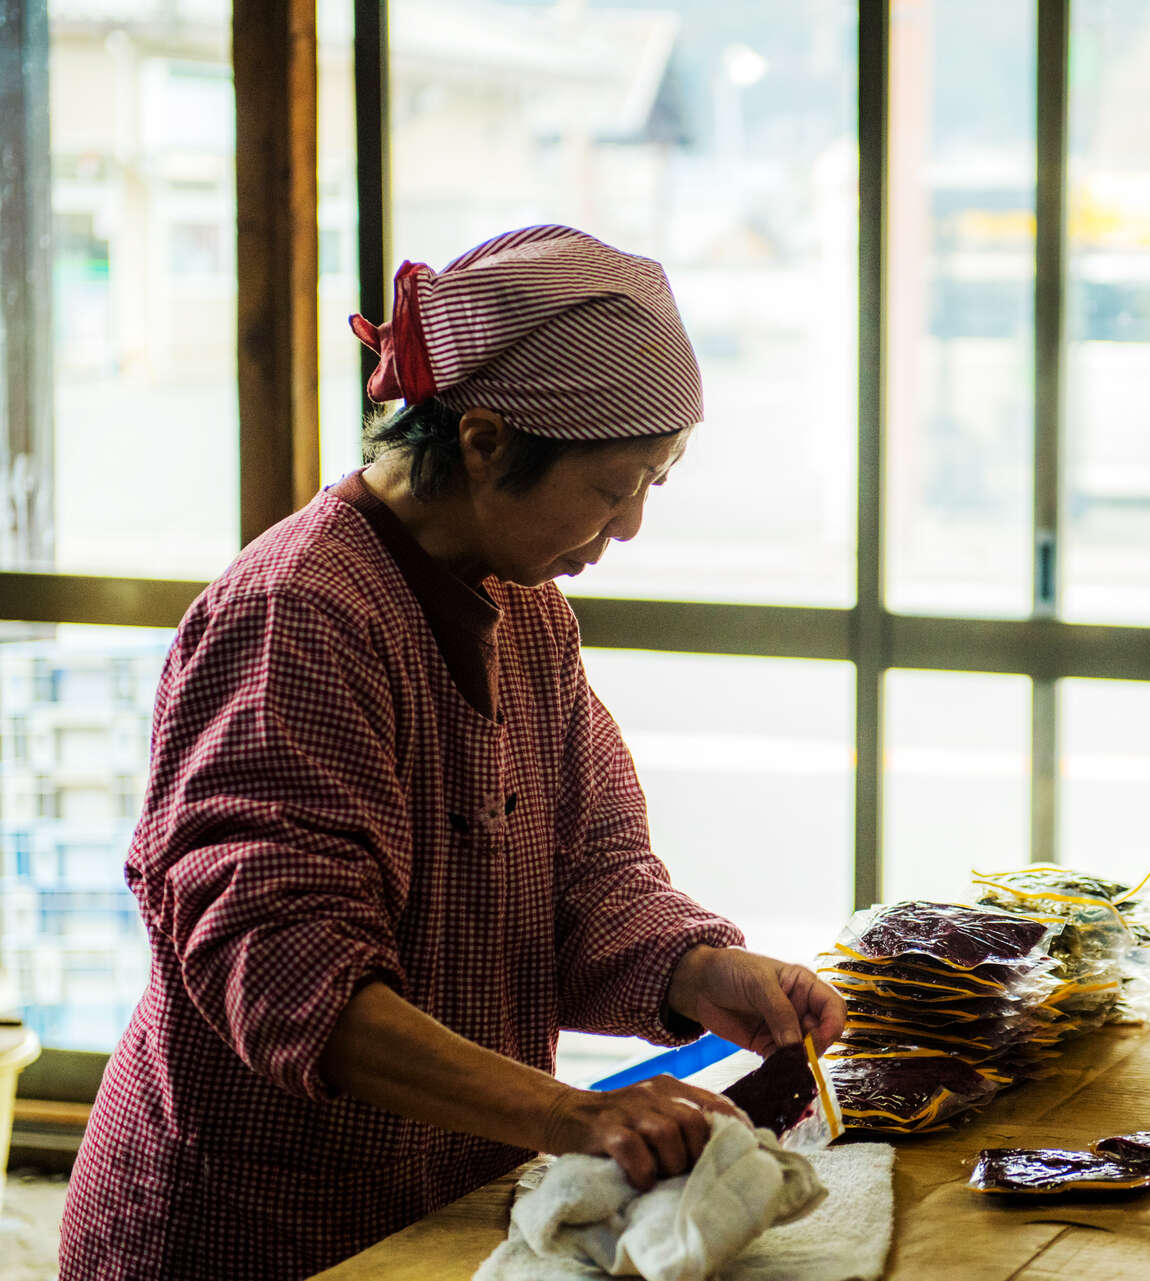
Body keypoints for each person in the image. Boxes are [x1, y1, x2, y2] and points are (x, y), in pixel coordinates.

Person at [60, 225, 846, 1281]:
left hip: (441, 1205)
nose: (631, 528)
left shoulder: (529, 617)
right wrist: (575, 1114)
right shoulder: (298, 615)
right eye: (615, 486)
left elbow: (594, 878)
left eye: (657, 483)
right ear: (483, 441)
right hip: (251, 1227)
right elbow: (290, 974)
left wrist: (698, 970)